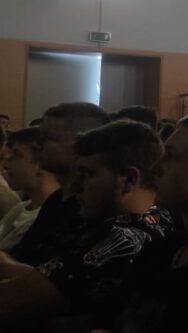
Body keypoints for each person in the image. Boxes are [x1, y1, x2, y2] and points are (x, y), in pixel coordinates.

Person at [0, 121, 172, 330]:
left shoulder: (125, 237)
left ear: (128, 179)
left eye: (88, 174)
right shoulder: (161, 222)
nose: (75, 186)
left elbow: (9, 302)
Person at [7, 103, 110, 266]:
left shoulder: (91, 208)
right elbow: (21, 256)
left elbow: (50, 276)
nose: (36, 145)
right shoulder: (56, 200)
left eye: (46, 138)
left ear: (79, 143)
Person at [0, 128, 58, 251]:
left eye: (15, 156)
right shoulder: (20, 208)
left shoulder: (52, 217)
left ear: (42, 162)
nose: (4, 165)